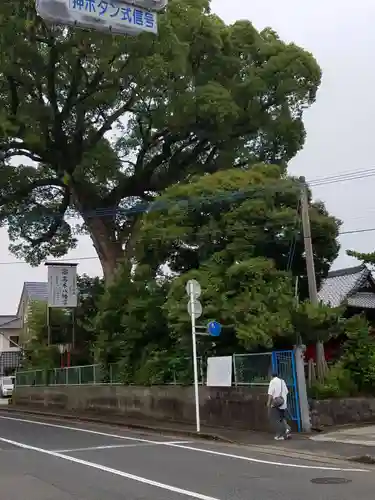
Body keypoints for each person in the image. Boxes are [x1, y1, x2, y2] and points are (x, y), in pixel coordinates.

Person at [267, 371, 291, 440]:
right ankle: (288, 430)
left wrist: (269, 403)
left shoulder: (272, 382)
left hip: (277, 404)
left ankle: (280, 435)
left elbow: (270, 393)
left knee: (276, 420)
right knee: (282, 418)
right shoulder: (282, 381)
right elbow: (286, 392)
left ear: (271, 376)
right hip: (283, 403)